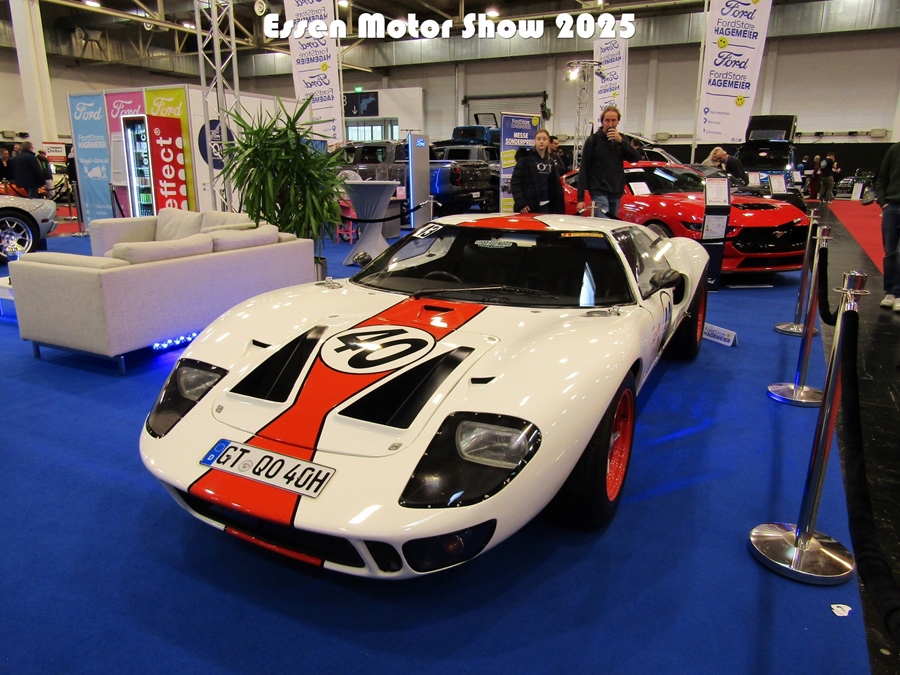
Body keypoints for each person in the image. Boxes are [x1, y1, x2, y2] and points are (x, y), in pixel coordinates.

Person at [576, 106, 641, 218]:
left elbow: (635, 158)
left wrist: (621, 141)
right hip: (599, 191)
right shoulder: (593, 140)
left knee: (612, 224)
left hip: (616, 191)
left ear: (618, 122)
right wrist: (580, 198)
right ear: (602, 121)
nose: (610, 124)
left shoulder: (622, 139)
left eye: (613, 120)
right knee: (604, 223)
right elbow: (584, 168)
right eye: (607, 120)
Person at [510, 128, 564, 214]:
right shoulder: (525, 159)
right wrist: (521, 203)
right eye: (539, 139)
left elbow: (555, 186)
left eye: (544, 139)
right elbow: (515, 183)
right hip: (528, 207)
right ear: (534, 141)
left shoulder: (551, 161)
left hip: (546, 205)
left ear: (548, 141)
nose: (541, 141)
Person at [874, 141, 900, 311]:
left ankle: (898, 293)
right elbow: (881, 177)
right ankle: (890, 292)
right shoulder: (894, 149)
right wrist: (883, 201)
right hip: (891, 207)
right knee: (890, 252)